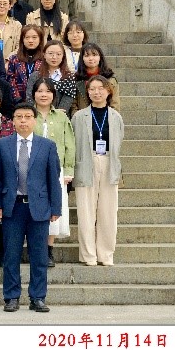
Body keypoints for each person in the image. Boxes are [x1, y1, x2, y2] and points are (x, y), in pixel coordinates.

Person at [0, 105, 63, 312]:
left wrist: (56, 207)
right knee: (11, 255)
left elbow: (54, 179)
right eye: (19, 117)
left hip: (39, 207)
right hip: (12, 207)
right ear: (13, 121)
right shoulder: (2, 145)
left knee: (39, 255)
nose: (23, 120)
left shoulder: (47, 145)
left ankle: (38, 297)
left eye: (27, 117)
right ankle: (11, 297)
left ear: (34, 120)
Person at [71, 75, 123, 267]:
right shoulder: (79, 116)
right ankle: (88, 255)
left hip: (109, 162)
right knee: (86, 212)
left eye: (100, 88)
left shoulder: (116, 117)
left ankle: (106, 254)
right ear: (87, 92)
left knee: (108, 212)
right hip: (87, 162)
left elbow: (119, 142)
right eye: (92, 89)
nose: (96, 92)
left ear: (108, 91)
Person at [31, 78, 75, 268]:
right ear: (34, 94)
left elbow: (69, 144)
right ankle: (35, 248)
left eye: (48, 91)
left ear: (53, 95)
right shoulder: (28, 114)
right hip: (31, 168)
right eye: (40, 91)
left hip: (56, 169)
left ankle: (48, 249)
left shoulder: (62, 117)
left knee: (54, 208)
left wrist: (69, 170)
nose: (44, 95)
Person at [25, 40, 78, 113]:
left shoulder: (69, 77)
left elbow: (68, 100)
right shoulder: (36, 76)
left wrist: (55, 113)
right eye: (50, 53)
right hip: (37, 115)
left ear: (63, 56)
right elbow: (29, 97)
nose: (54, 57)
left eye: (58, 54)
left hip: (60, 116)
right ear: (44, 54)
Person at [6, 25, 45, 104]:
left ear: (40, 39)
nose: (30, 40)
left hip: (41, 101)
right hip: (19, 102)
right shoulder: (14, 59)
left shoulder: (45, 59)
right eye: (27, 37)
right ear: (22, 40)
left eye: (34, 37)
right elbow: (10, 80)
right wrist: (18, 99)